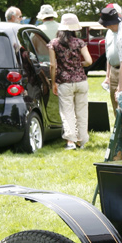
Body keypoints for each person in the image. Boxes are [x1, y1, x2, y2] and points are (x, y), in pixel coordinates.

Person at [48, 13, 93, 149]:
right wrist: (79, 64)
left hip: (64, 82)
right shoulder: (79, 42)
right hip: (81, 81)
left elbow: (53, 65)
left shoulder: (54, 43)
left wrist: (53, 83)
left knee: (67, 112)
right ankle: (82, 140)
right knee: (82, 112)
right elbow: (89, 61)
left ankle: (70, 141)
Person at [102, 3, 122, 114]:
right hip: (113, 70)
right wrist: (107, 76)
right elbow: (108, 54)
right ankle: (119, 124)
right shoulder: (109, 32)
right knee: (115, 103)